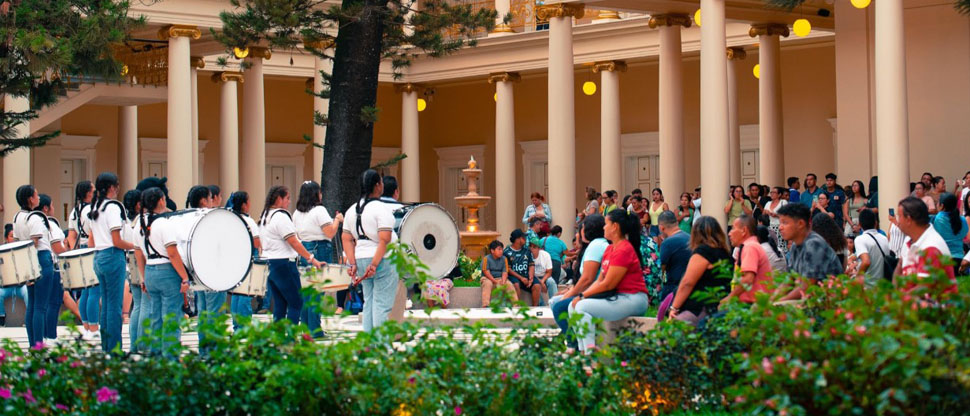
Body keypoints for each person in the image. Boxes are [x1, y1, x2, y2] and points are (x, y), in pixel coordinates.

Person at [568, 210, 648, 354]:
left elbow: (608, 284)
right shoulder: (610, 248)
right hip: (619, 297)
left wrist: (582, 296)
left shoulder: (624, 249)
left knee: (582, 307)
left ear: (615, 226)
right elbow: (600, 280)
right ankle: (582, 350)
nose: (604, 227)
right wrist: (581, 295)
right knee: (572, 306)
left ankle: (590, 355)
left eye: (606, 224)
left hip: (634, 299)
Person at [342, 170, 399, 331]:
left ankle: (369, 343)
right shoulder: (380, 208)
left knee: (369, 302)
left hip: (360, 257)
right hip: (382, 259)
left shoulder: (352, 210)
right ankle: (381, 345)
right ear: (377, 186)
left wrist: (351, 262)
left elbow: (346, 238)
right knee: (382, 304)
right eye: (380, 182)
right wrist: (374, 264)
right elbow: (385, 238)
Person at [87, 173, 137, 353]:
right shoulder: (113, 208)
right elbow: (117, 240)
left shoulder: (96, 206)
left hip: (99, 255)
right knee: (114, 306)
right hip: (113, 254)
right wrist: (135, 246)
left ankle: (107, 345)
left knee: (107, 304)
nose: (118, 189)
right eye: (116, 185)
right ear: (111, 187)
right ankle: (115, 348)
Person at [261, 186, 325, 325]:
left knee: (280, 303)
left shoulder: (266, 216)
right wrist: (312, 259)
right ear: (279, 199)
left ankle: (279, 337)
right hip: (284, 263)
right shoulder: (280, 216)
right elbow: (293, 241)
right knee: (296, 302)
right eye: (287, 198)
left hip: (270, 263)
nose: (289, 202)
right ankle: (291, 338)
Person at [138, 187, 190, 356]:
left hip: (150, 270)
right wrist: (184, 278)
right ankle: (170, 357)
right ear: (161, 200)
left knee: (156, 316)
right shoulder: (164, 223)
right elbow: (173, 253)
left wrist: (143, 277)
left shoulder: (141, 224)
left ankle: (156, 354)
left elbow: (138, 252)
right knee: (171, 316)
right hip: (166, 271)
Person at [293, 181, 343, 338]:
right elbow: (329, 232)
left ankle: (307, 328)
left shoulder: (296, 213)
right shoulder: (319, 210)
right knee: (317, 291)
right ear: (316, 194)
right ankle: (315, 329)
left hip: (304, 250)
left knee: (307, 292)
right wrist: (337, 220)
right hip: (320, 249)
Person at [551, 215, 607, 349]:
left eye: (581, 228)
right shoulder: (594, 245)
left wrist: (570, 295)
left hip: (595, 292)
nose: (579, 232)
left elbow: (587, 279)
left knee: (559, 306)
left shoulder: (596, 245)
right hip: (592, 290)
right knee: (557, 302)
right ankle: (575, 344)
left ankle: (573, 344)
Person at [667, 216, 732, 325]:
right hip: (719, 307)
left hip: (700, 308)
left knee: (669, 335)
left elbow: (687, 282)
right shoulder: (726, 254)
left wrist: (674, 308)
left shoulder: (703, 252)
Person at [775, 203, 843, 302]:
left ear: (800, 224)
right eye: (780, 223)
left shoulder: (814, 244)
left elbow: (808, 285)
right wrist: (771, 299)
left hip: (829, 305)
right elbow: (789, 279)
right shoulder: (795, 245)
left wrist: (777, 302)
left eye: (785, 223)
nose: (780, 227)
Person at [185, 185, 224, 350]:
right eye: (210, 198)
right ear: (203, 201)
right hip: (213, 269)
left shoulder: (188, 218)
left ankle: (204, 348)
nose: (212, 201)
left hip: (197, 270)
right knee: (214, 311)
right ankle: (214, 349)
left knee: (203, 310)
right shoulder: (211, 217)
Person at [894, 196, 956, 294]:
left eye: (899, 216)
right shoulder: (908, 241)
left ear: (908, 219)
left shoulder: (931, 246)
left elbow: (924, 288)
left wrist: (897, 300)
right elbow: (900, 269)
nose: (897, 221)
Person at [226, 191, 263, 329]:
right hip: (248, 259)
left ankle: (237, 325)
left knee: (235, 293)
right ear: (244, 205)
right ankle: (244, 326)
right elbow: (256, 243)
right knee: (245, 293)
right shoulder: (248, 221)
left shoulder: (231, 219)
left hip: (234, 259)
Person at [67, 180, 99, 339]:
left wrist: (76, 252)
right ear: (88, 193)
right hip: (92, 248)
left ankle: (86, 325)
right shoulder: (92, 210)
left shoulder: (75, 211)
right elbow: (94, 233)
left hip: (81, 250)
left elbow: (71, 236)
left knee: (86, 291)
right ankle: (93, 327)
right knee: (94, 291)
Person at [36, 194, 67, 343]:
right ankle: (50, 336)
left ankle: (44, 336)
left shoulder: (35, 222)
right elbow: (57, 247)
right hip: (54, 266)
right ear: (46, 208)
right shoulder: (50, 224)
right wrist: (67, 249)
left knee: (44, 303)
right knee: (54, 302)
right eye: (52, 205)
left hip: (41, 265)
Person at [722, 214, 773, 305]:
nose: (729, 233)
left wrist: (728, 299)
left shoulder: (750, 247)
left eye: (733, 228)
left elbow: (748, 279)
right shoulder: (749, 246)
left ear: (744, 231)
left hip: (753, 306)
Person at [122, 189, 148, 351]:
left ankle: (134, 344)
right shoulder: (142, 221)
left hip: (129, 263)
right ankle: (143, 344)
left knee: (138, 305)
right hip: (140, 262)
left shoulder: (126, 222)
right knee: (145, 304)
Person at [657, 211, 691, 304]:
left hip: (673, 288)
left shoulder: (667, 243)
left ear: (661, 227)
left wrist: (663, 282)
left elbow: (662, 269)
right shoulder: (690, 237)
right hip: (690, 286)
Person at [853, 209, 891, 287]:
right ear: (875, 223)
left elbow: (866, 261)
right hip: (882, 285)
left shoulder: (860, 239)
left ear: (859, 224)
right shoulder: (884, 238)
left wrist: (857, 278)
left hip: (868, 286)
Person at [931, 193, 967, 264]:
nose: (936, 204)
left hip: (944, 258)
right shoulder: (962, 219)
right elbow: (964, 233)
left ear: (942, 206)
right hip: (959, 257)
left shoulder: (939, 218)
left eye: (938, 202)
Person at [503, 229, 538, 305]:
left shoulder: (527, 251)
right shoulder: (506, 252)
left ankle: (535, 308)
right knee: (516, 285)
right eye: (523, 237)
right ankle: (517, 308)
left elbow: (531, 265)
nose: (525, 239)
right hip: (514, 276)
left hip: (526, 275)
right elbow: (508, 269)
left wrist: (531, 277)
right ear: (518, 239)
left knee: (537, 285)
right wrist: (521, 278)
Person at [480, 240, 517, 307]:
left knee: (509, 284)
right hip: (487, 278)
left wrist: (503, 280)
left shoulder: (504, 259)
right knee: (488, 284)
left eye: (502, 249)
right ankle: (485, 305)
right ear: (492, 251)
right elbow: (486, 272)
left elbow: (505, 271)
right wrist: (494, 281)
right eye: (499, 249)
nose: (501, 251)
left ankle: (516, 305)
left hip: (500, 278)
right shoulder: (486, 259)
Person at [539, 224, 568, 289]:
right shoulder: (561, 242)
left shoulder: (544, 239)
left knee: (545, 281)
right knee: (554, 284)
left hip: (545, 262)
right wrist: (575, 253)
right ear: (559, 233)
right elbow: (567, 253)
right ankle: (553, 297)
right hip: (556, 263)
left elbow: (536, 246)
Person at [529, 238, 557, 305]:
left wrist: (542, 281)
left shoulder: (545, 255)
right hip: (533, 277)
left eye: (534, 247)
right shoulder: (528, 255)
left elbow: (549, 272)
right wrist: (540, 282)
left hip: (545, 276)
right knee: (537, 285)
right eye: (530, 246)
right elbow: (530, 273)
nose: (532, 249)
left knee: (551, 282)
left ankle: (555, 303)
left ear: (539, 248)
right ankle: (541, 306)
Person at [763, 186, 789, 256]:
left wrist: (776, 215)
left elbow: (787, 215)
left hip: (780, 227)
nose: (772, 194)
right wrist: (766, 212)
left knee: (781, 247)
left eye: (774, 192)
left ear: (779, 194)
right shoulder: (768, 203)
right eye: (771, 192)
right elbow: (763, 214)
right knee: (771, 247)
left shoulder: (783, 202)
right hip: (771, 227)